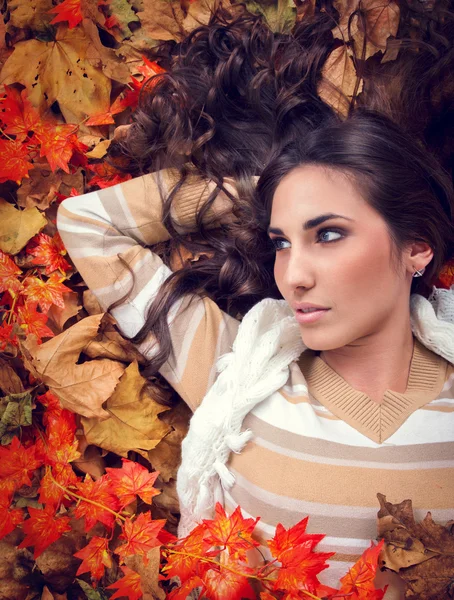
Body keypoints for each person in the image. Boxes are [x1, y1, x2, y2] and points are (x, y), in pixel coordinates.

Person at [56, 8, 454, 598]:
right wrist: (258, 177)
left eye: (328, 233)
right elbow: (87, 224)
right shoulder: (235, 369)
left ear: (415, 247)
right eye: (280, 242)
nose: (293, 274)